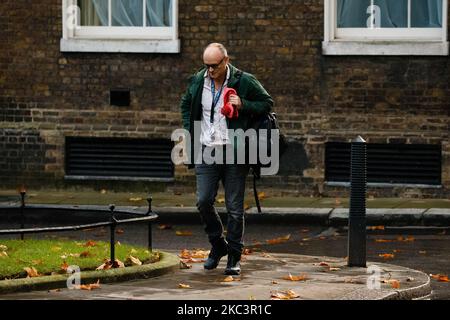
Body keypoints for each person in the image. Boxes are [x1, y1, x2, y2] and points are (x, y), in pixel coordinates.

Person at [179, 43, 273, 275]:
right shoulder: (199, 80)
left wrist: (243, 104)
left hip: (234, 152)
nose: (210, 70)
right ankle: (217, 245)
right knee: (203, 201)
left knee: (234, 209)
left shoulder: (244, 81)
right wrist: (190, 129)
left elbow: (266, 103)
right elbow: (185, 103)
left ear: (226, 61)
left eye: (214, 66)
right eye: (206, 66)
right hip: (206, 150)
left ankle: (234, 256)